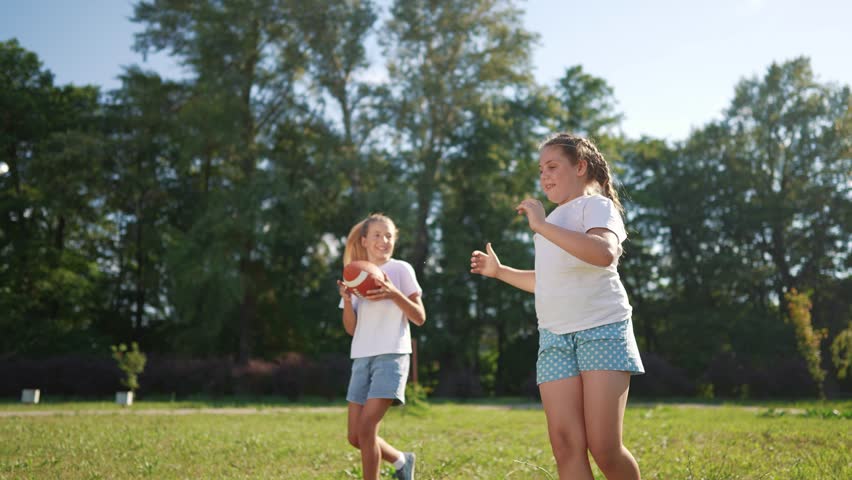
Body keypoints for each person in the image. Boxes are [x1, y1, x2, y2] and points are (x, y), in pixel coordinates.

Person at [470, 133, 644, 480]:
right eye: (540, 170)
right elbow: (548, 281)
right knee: (565, 446)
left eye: (552, 166)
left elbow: (603, 253)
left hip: (601, 330)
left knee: (604, 447)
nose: (544, 175)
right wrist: (500, 271)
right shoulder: (550, 224)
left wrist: (541, 225)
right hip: (554, 338)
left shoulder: (595, 206)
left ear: (580, 167)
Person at [337, 213, 425, 480]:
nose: (384, 240)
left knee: (367, 430)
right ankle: (401, 460)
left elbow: (419, 317)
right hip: (362, 358)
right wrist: (347, 299)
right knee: (355, 437)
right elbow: (351, 329)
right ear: (364, 241)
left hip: (392, 357)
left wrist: (393, 293)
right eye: (377, 235)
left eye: (388, 236)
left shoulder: (401, 270)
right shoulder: (353, 274)